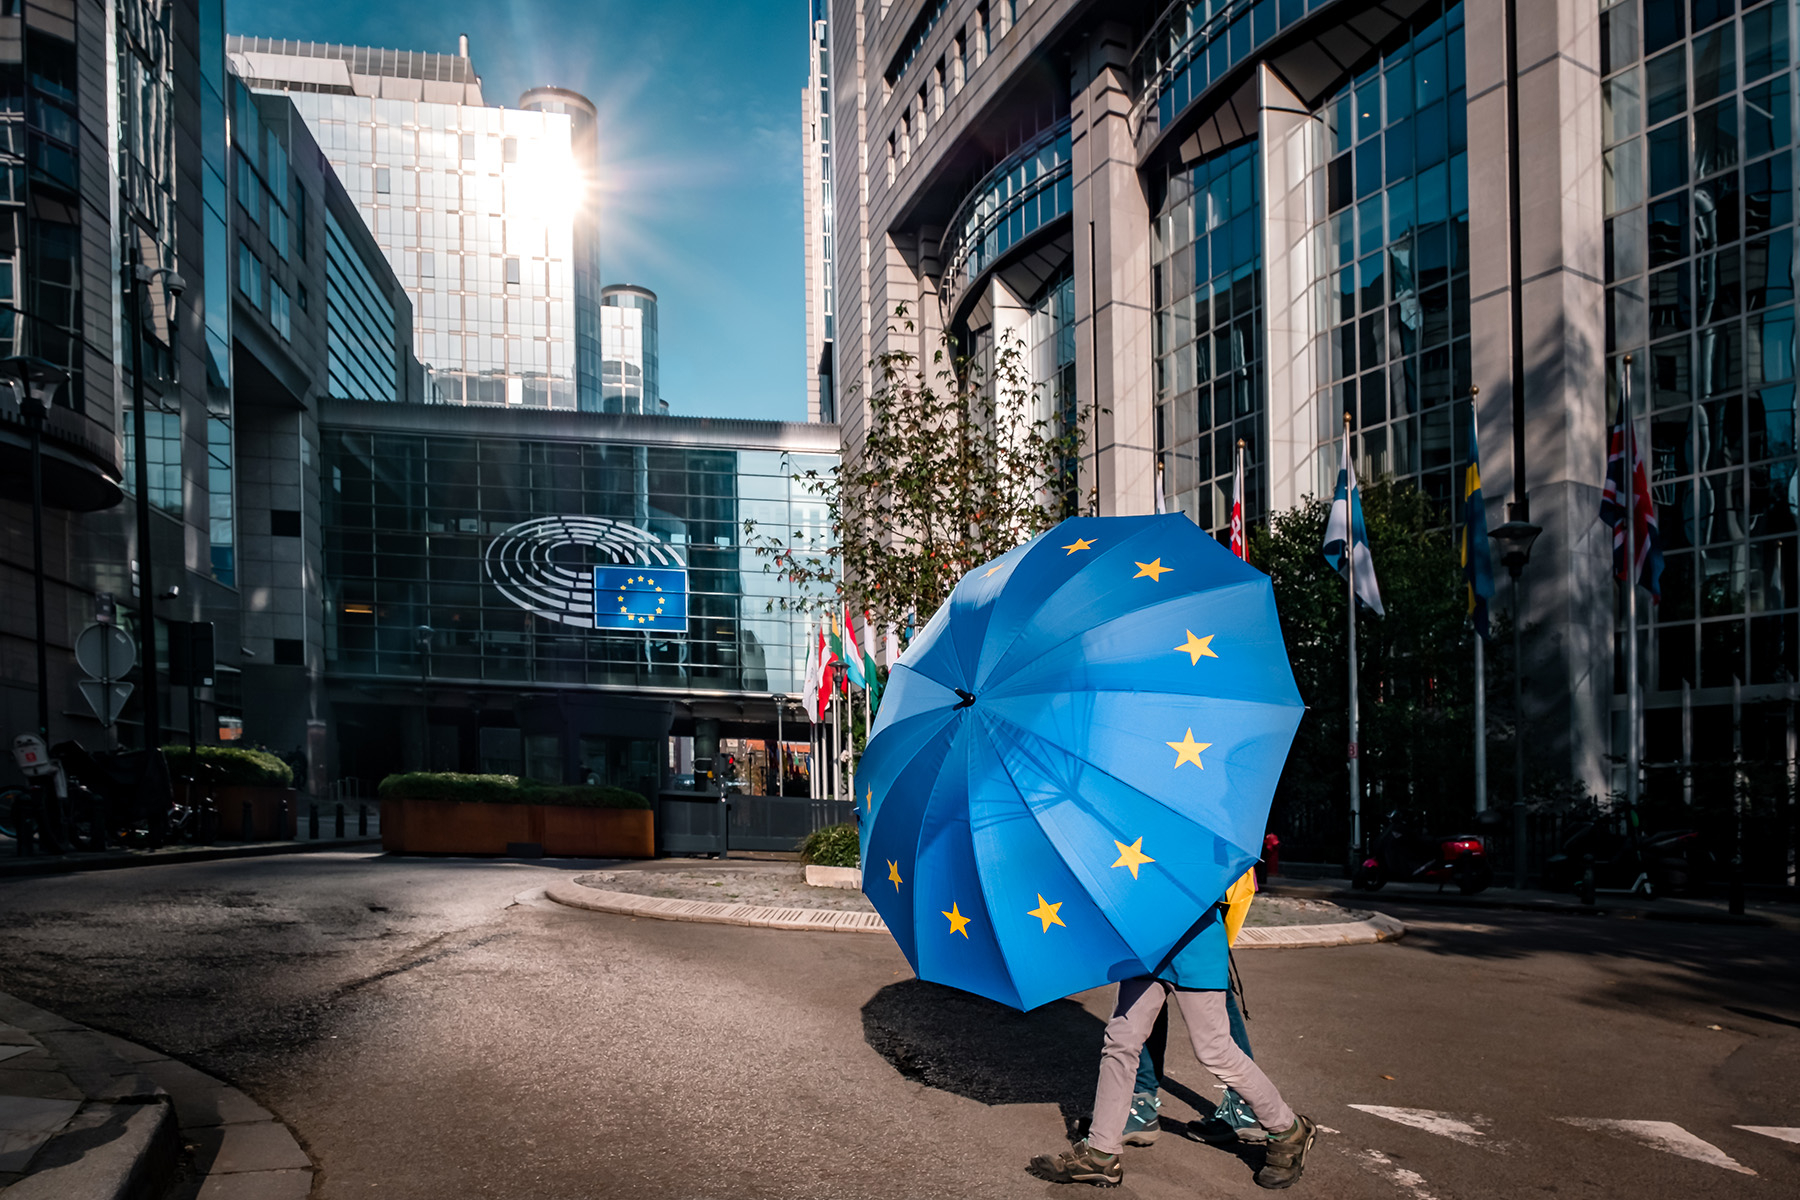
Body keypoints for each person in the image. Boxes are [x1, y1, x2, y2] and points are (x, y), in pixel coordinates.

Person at [1030, 880, 1315, 1190]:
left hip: (1192, 936)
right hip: (1144, 939)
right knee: (1120, 1041)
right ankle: (1101, 1154)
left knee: (1214, 1048)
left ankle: (1289, 1130)